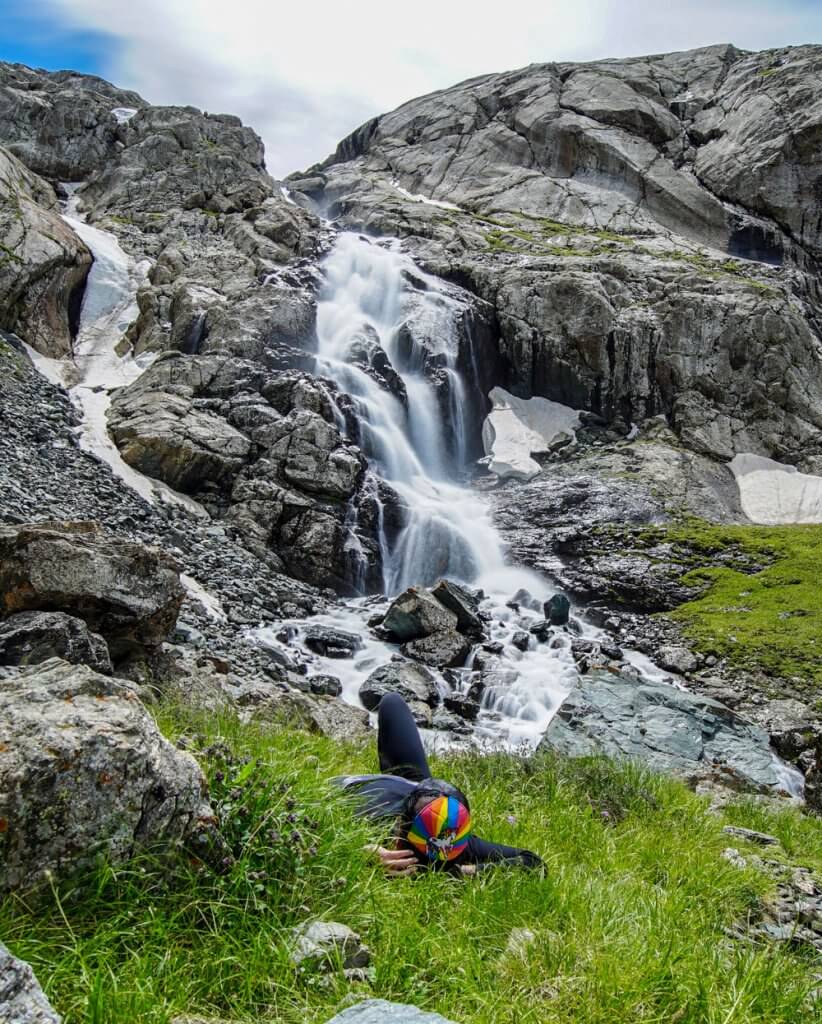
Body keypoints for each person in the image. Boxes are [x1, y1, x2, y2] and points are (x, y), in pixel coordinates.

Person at [335, 692, 543, 877]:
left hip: (401, 789)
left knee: (392, 701)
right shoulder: (459, 845)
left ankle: (423, 790)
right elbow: (533, 863)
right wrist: (359, 852)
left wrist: (359, 852)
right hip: (402, 789)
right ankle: (422, 790)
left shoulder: (455, 841)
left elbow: (533, 863)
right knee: (392, 702)